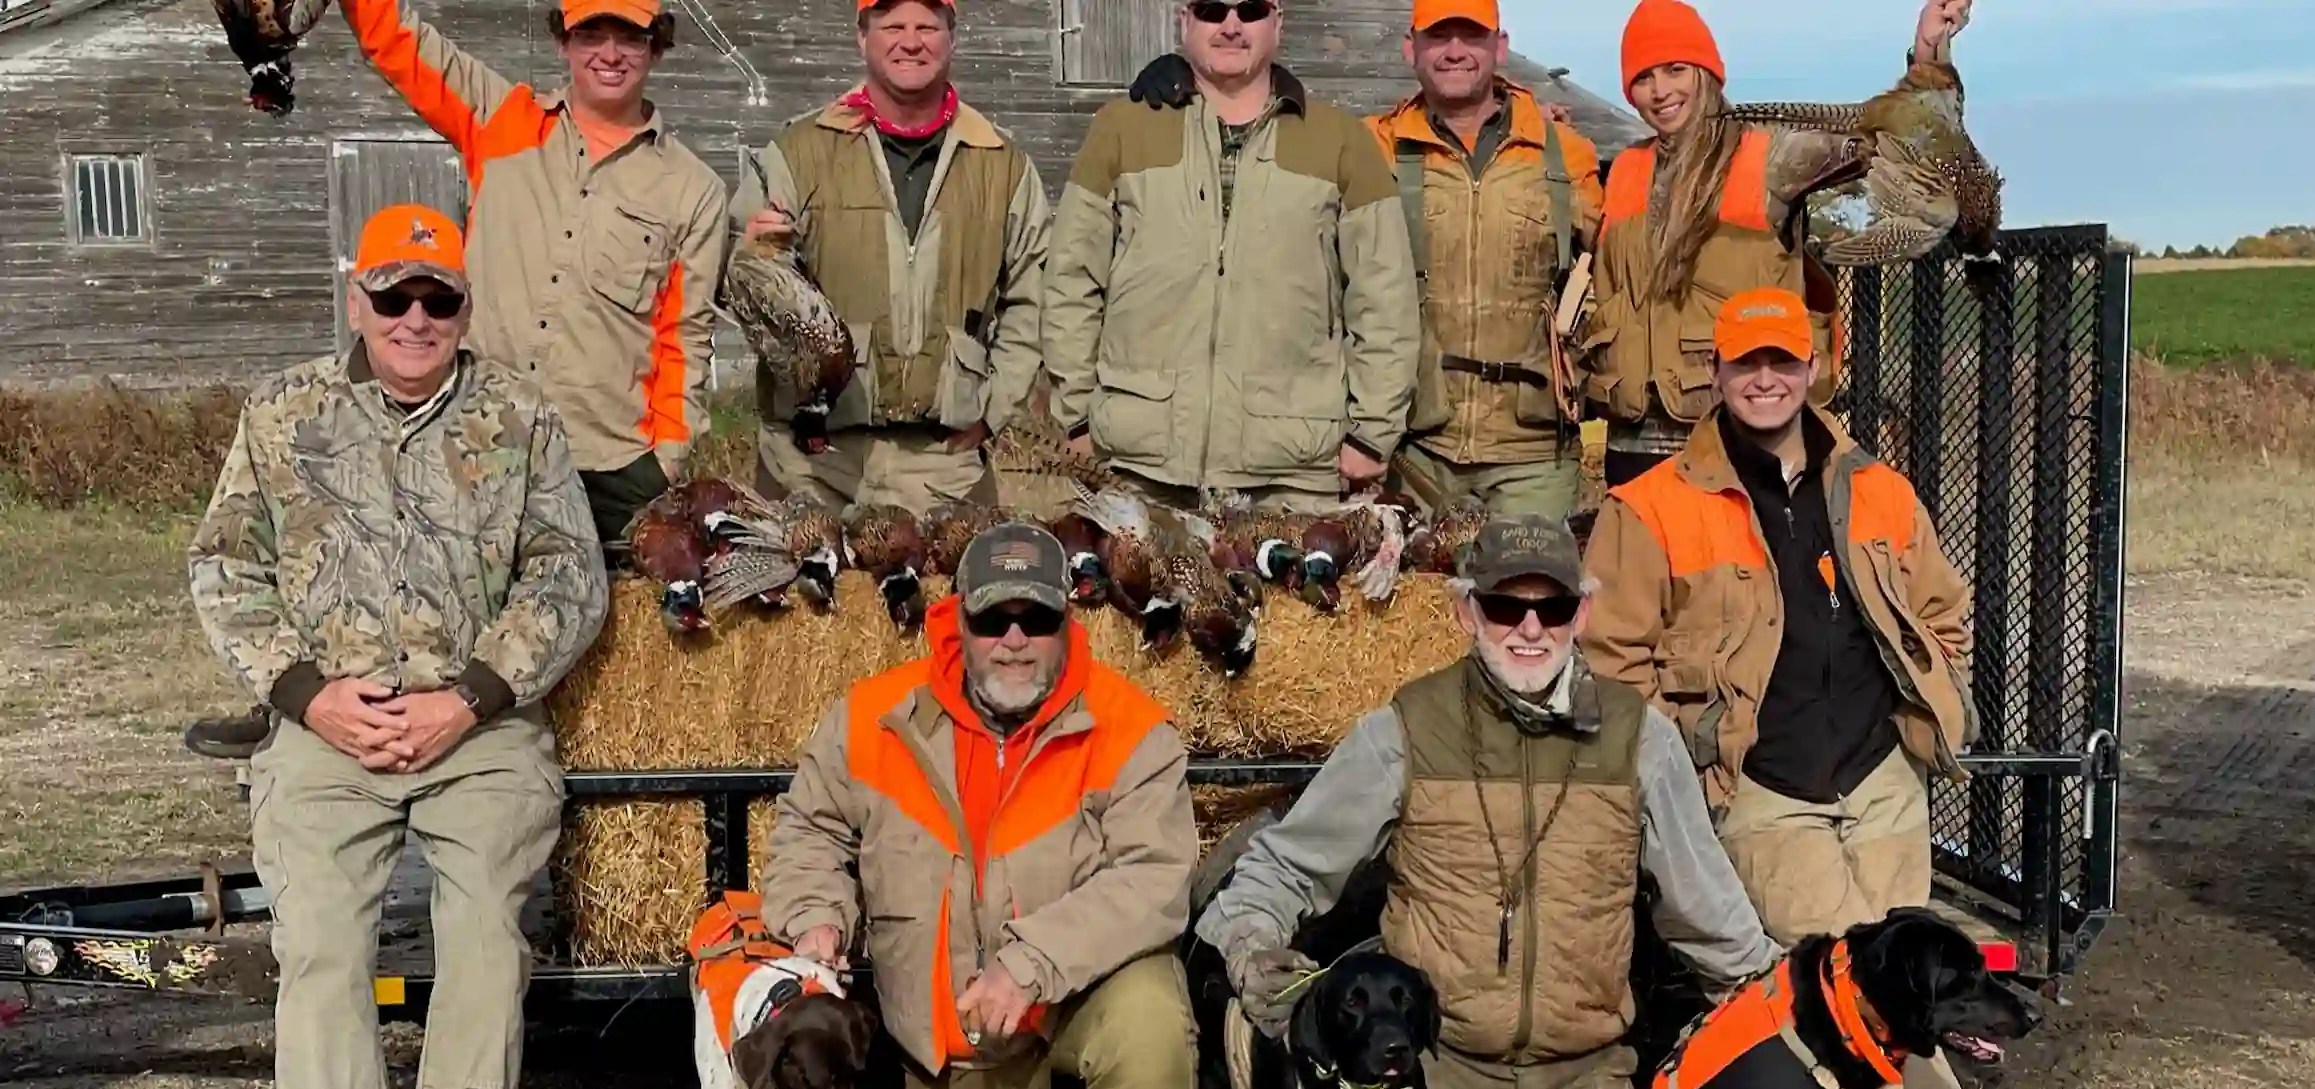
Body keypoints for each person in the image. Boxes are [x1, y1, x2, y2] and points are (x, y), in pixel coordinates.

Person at [1196, 514, 1782, 1089]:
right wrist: (1255, 946)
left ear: (1583, 614)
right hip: (1432, 1072)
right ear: (1468, 611)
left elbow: (1708, 912)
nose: (1530, 629)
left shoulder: (1639, 740)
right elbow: (1285, 865)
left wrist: (1778, 1002)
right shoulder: (1407, 727)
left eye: (1552, 608)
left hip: (1581, 1075)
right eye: (1507, 608)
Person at [188, 204, 608, 1089]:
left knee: (484, 942)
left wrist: (469, 697)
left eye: (438, 299)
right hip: (327, 728)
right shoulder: (283, 413)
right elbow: (225, 567)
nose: (416, 318)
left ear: (465, 307)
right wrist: (304, 694)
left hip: (476, 730)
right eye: (394, 297)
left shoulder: (520, 416)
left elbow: (569, 579)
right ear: (355, 298)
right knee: (318, 947)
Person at [1578, 287, 2042, 1089]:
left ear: (1815, 366)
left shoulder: (1875, 486)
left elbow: (1943, 609)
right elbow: (1611, 667)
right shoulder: (1650, 506)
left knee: (1901, 1000)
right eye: (1747, 363)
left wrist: (1931, 700)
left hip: (1877, 777)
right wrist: (1688, 758)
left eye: (1784, 360)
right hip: (1759, 789)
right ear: (1719, 373)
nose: (1766, 378)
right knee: (1848, 1006)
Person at [184, 0, 725, 763]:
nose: (610, 52)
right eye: (591, 33)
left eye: (629, 35)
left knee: (622, 651)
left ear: (656, 46)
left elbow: (684, 337)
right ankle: (292, 714)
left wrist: (666, 457)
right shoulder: (499, 118)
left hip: (609, 454)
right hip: (478, 438)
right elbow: (397, 40)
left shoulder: (692, 188)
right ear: (564, 42)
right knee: (378, 573)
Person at [759, 523, 1203, 1089]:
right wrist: (818, 913)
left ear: (1067, 622)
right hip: (956, 1033)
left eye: (1034, 619)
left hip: (1076, 997)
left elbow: (1155, 878)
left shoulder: (1130, 726)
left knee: (1151, 1016)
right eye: (994, 617)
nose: (1013, 639)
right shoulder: (872, 716)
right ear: (956, 619)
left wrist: (1031, 964)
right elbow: (809, 832)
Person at [1044, 0, 1419, 513]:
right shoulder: (1121, 129)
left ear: (1278, 24)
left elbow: (1385, 298)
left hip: (1293, 474)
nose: (1231, 25)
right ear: (1184, 22)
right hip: (1134, 466)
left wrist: (1372, 433)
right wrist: (1077, 417)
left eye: (1251, 9)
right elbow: (1070, 280)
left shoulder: (1340, 141)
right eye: (1212, 9)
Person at [1585, 0, 1972, 487]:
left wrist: (1928, 57)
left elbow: (1898, 138)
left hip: (1738, 438)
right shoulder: (1624, 170)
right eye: (1643, 78)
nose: (1660, 91)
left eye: (1676, 69)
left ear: (1707, 74)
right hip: (1633, 447)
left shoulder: (1769, 155)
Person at [730, 0, 1050, 512]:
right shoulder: (800, 151)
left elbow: (1033, 295)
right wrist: (750, 252)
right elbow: (735, 280)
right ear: (862, 37)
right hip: (809, 462)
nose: (911, 40)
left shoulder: (1001, 165)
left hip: (943, 462)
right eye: (892, 26)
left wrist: (995, 409)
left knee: (964, 591)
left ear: (952, 37)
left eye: (927, 26)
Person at [1367, 0, 1607, 517]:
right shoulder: (1373, 147)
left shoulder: (1567, 153)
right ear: (1412, 48)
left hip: (1534, 458)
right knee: (1417, 597)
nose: (1455, 52)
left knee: (1527, 596)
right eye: (1439, 36)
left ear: (1500, 47)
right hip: (1413, 451)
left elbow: (1616, 279)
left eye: (1471, 36)